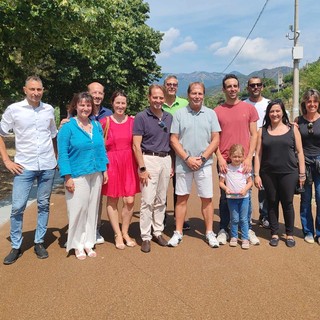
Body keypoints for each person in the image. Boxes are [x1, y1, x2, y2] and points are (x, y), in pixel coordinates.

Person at [0, 76, 57, 265]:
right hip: (24, 167)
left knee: (43, 204)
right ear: (25, 89)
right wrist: (7, 160)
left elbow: (53, 135)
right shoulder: (14, 109)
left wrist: (56, 158)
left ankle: (39, 242)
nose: (35, 93)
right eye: (32, 89)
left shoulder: (48, 110)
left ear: (43, 90)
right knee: (17, 207)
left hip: (47, 166)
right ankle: (16, 245)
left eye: (39, 89)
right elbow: (1, 133)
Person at [167, 82, 221, 248]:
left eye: (200, 93)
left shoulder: (211, 114)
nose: (197, 96)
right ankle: (178, 232)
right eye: (194, 93)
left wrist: (203, 158)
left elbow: (216, 139)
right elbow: (173, 139)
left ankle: (209, 232)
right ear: (188, 94)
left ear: (203, 95)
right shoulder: (179, 114)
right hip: (184, 164)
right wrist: (187, 158)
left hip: (204, 165)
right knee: (181, 198)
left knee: (207, 199)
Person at [57, 92, 108, 260]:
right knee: (78, 209)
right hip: (77, 174)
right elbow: (63, 154)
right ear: (75, 106)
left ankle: (88, 242)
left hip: (96, 172)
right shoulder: (68, 127)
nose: (85, 108)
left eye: (88, 105)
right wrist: (67, 177)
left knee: (92, 209)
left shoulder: (96, 125)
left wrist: (104, 169)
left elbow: (101, 149)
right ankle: (77, 244)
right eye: (82, 105)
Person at [215, 74, 259, 246]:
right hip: (226, 161)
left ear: (239, 88)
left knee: (246, 194)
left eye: (235, 86)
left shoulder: (249, 109)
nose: (232, 89)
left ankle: (246, 228)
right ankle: (224, 229)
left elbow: (255, 134)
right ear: (224, 89)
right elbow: (215, 137)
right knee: (225, 195)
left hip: (244, 161)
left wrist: (249, 158)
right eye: (229, 86)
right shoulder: (217, 111)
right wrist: (219, 158)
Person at [254, 99, 305, 247]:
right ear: (268, 113)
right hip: (268, 173)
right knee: (272, 202)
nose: (275, 114)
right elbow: (258, 154)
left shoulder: (293, 129)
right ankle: (274, 232)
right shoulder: (262, 130)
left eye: (277, 111)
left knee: (288, 203)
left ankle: (289, 234)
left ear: (283, 112)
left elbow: (300, 152)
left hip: (289, 172)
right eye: (272, 111)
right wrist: (256, 174)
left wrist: (302, 174)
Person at [133, 84, 173, 253]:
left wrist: (172, 165)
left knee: (161, 200)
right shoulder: (141, 117)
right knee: (147, 200)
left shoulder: (169, 117)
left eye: (160, 97)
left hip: (166, 159)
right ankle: (146, 236)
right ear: (149, 98)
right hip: (149, 159)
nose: (158, 100)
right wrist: (142, 168)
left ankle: (157, 231)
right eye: (155, 97)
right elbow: (136, 144)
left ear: (164, 99)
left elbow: (173, 141)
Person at [100, 91, 140, 249]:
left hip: (129, 162)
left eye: (123, 103)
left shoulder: (133, 121)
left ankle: (125, 232)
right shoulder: (105, 122)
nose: (120, 106)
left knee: (130, 200)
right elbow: (99, 147)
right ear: (112, 103)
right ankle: (117, 234)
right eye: (118, 103)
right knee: (112, 199)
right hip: (112, 163)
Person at [162, 75, 190, 230]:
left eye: (174, 84)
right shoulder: (159, 102)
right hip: (163, 149)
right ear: (164, 85)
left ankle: (180, 218)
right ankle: (162, 217)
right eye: (169, 84)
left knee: (180, 186)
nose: (171, 87)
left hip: (180, 150)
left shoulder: (185, 104)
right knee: (162, 186)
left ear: (177, 87)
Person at [295, 89, 320, 244]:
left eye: (315, 101)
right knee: (305, 199)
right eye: (309, 101)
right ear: (304, 103)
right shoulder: (298, 121)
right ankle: (308, 231)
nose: (312, 104)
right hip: (304, 163)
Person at [245, 77, 270, 228]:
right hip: (247, 153)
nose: (255, 87)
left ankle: (264, 215)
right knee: (246, 184)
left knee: (264, 186)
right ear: (247, 87)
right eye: (252, 85)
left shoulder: (268, 104)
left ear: (262, 87)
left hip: (264, 152)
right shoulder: (243, 105)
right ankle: (246, 217)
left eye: (258, 85)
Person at [219, 144, 253, 249]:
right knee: (234, 218)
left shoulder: (245, 169)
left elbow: (250, 182)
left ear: (243, 156)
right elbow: (221, 182)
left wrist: (245, 189)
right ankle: (234, 236)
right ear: (229, 156)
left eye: (239, 157)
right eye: (234, 156)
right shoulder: (226, 169)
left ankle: (245, 238)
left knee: (243, 218)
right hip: (231, 198)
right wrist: (226, 189)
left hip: (244, 198)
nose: (237, 159)